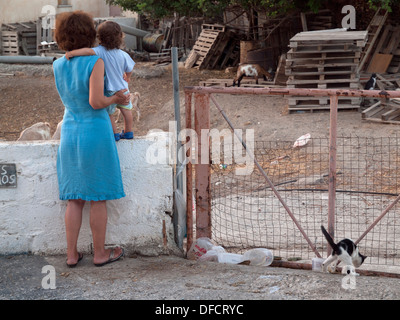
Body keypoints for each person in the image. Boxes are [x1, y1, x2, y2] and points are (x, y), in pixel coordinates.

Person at [53, 11, 127, 267]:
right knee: (98, 197)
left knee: (74, 198)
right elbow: (96, 102)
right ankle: (99, 254)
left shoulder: (58, 64)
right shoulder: (96, 62)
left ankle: (71, 255)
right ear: (89, 33)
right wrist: (116, 99)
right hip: (94, 132)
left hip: (70, 133)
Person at [65, 20, 136, 141]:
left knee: (110, 113)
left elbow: (86, 51)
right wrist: (127, 76)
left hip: (108, 90)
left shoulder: (99, 51)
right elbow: (130, 68)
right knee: (126, 110)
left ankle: (114, 134)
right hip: (123, 88)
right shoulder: (123, 54)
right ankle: (129, 132)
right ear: (120, 37)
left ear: (99, 37)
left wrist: (71, 53)